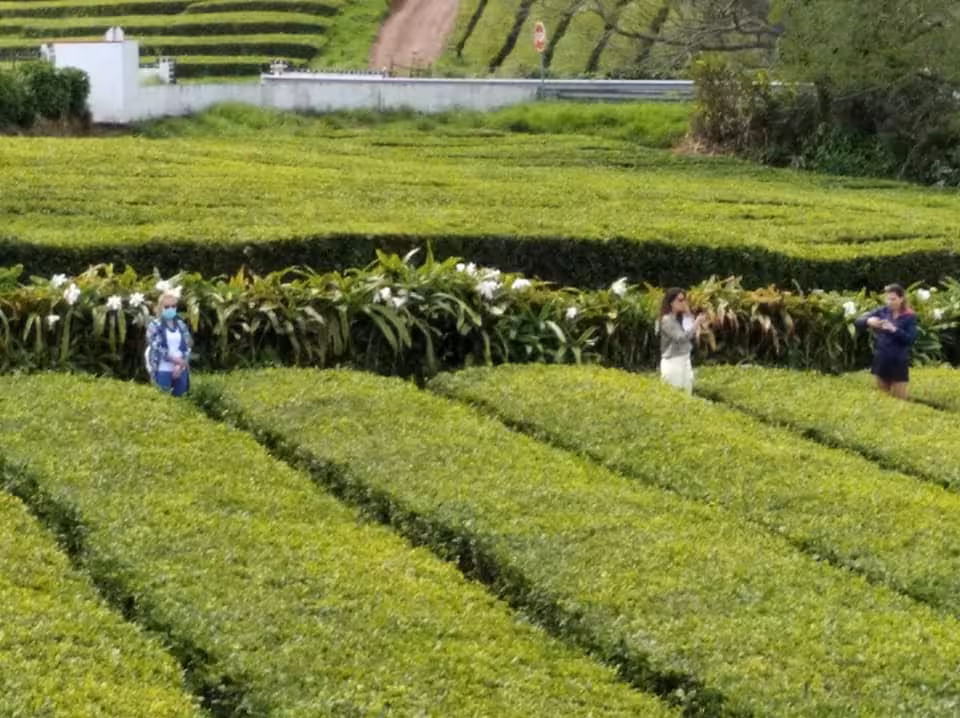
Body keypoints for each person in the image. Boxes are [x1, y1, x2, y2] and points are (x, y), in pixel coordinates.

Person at [854, 283, 917, 399]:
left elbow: (910, 339)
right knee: (883, 398)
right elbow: (858, 321)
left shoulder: (909, 316)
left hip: (898, 361)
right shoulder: (882, 311)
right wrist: (868, 321)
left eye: (893, 299)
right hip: (882, 358)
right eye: (888, 299)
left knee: (901, 399)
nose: (890, 302)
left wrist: (895, 330)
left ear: (901, 298)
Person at [658, 287, 710, 394]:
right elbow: (681, 338)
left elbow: (691, 332)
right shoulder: (667, 320)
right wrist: (696, 323)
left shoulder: (681, 317)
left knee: (687, 393)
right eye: (680, 300)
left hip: (685, 359)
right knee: (674, 394)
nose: (683, 303)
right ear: (671, 302)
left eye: (684, 300)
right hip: (673, 361)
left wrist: (689, 314)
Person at [145, 290, 193, 397]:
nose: (171, 309)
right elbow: (156, 346)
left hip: (180, 370)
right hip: (163, 369)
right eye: (167, 307)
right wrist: (177, 361)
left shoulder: (181, 324)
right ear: (160, 308)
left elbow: (188, 345)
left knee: (182, 402)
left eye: (173, 306)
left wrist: (181, 365)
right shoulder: (154, 325)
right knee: (163, 400)